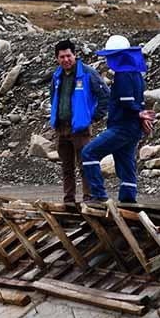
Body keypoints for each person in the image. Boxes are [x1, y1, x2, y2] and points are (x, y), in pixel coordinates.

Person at [81, 35, 154, 204]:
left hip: (122, 126)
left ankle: (98, 195)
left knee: (89, 152)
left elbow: (126, 101)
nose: (108, 59)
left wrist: (138, 113)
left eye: (111, 55)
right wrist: (140, 115)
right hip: (133, 128)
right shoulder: (136, 74)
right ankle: (128, 199)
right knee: (125, 162)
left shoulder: (123, 75)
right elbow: (137, 101)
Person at [49, 40, 109, 204]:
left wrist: (94, 116)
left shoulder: (87, 73)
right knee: (66, 167)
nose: (66, 59)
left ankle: (88, 198)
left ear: (75, 55)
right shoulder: (57, 76)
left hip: (81, 128)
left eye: (68, 55)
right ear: (57, 58)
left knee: (85, 165)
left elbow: (105, 95)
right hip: (62, 128)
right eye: (62, 57)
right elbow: (53, 97)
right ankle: (69, 200)